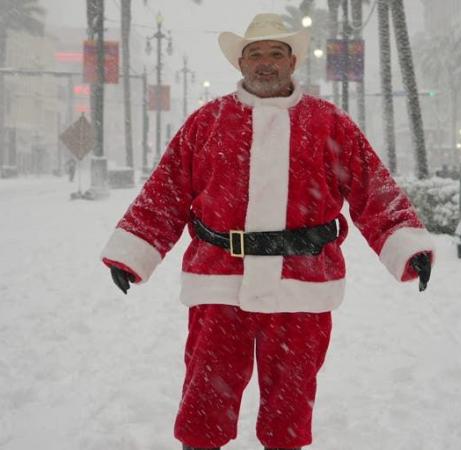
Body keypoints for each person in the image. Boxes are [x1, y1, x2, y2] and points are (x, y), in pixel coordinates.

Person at [101, 13, 434, 450]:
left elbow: (373, 188)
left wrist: (406, 245)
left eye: (275, 53)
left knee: (289, 411)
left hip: (303, 285)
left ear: (292, 61)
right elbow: (166, 191)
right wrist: (133, 251)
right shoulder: (207, 123)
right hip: (219, 281)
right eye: (254, 54)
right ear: (240, 64)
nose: (264, 63)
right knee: (205, 403)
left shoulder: (329, 123)